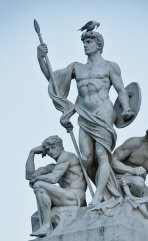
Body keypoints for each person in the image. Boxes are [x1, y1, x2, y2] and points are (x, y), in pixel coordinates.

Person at [37, 31, 134, 205]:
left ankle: (97, 196)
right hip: (84, 115)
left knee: (101, 154)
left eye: (89, 42)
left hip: (103, 111)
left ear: (99, 45)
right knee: (87, 158)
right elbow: (52, 78)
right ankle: (104, 189)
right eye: (84, 42)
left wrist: (126, 108)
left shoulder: (110, 66)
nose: (85, 45)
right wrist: (40, 58)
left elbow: (121, 89)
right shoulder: (77, 67)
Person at [25, 135, 86, 237]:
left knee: (39, 185)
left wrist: (36, 180)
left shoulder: (67, 156)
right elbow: (30, 176)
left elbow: (53, 178)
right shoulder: (53, 167)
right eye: (48, 150)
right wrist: (32, 153)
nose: (51, 152)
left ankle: (46, 226)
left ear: (60, 146)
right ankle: (46, 226)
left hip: (75, 197)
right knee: (36, 217)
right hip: (66, 197)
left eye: (53, 147)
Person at [112, 122, 148, 225]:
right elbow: (112, 161)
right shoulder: (135, 143)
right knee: (138, 182)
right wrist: (131, 170)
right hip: (118, 179)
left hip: (139, 185)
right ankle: (136, 214)